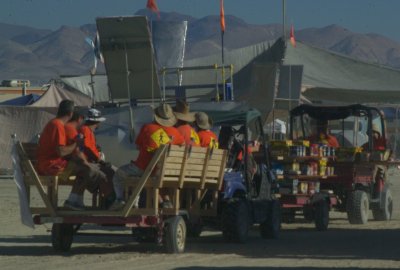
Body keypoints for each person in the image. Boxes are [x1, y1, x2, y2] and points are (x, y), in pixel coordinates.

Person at [36, 100, 111, 210]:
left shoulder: (55, 123)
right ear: (71, 114)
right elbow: (61, 151)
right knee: (86, 169)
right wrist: (77, 144)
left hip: (49, 164)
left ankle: (76, 201)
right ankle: (73, 201)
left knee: (84, 167)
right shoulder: (58, 125)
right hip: (51, 167)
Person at [111, 103, 185, 210]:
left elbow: (138, 146)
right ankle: (143, 203)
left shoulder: (147, 128)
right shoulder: (176, 132)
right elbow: (182, 147)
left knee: (118, 175)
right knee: (148, 176)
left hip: (144, 168)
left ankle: (120, 200)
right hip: (164, 171)